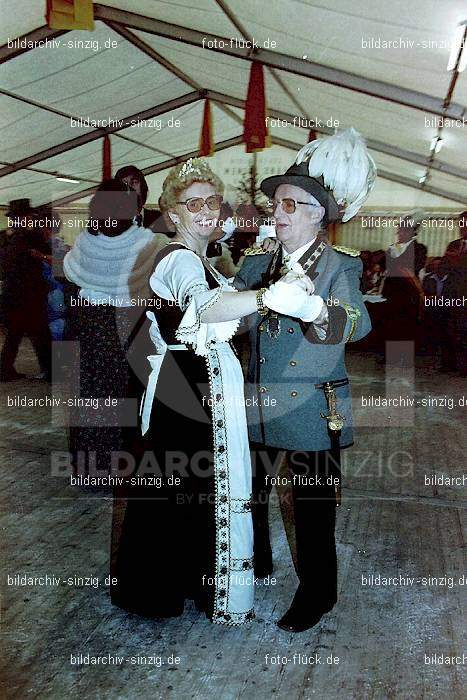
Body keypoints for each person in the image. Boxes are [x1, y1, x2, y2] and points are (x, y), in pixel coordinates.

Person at [112, 158, 306, 625]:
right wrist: (266, 297)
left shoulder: (203, 259)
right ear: (173, 212)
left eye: (212, 200)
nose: (205, 209)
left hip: (202, 385)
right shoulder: (177, 257)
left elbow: (226, 310)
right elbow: (206, 306)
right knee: (191, 490)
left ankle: (185, 584)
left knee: (198, 490)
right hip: (187, 389)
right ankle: (169, 589)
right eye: (192, 202)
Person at [234, 128, 374, 633]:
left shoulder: (340, 267)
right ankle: (260, 563)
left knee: (314, 510)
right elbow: (233, 311)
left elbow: (359, 324)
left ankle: (318, 594)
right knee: (249, 493)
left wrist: (315, 307)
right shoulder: (259, 261)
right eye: (276, 203)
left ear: (317, 215)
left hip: (313, 410)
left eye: (291, 205)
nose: (278, 212)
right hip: (257, 404)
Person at [62, 179, 163, 476]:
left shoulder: (84, 242)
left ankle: (91, 468)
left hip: (92, 331)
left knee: (92, 396)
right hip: (126, 330)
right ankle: (121, 467)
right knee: (124, 396)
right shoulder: (145, 242)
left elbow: (70, 276)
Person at [0, 199, 52, 382]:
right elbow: (50, 256)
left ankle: (5, 370)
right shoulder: (32, 236)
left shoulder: (6, 237)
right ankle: (50, 370)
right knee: (39, 333)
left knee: (16, 333)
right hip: (30, 294)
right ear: (26, 217)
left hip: (12, 294)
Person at [115, 164, 159, 230]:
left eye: (134, 182)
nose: (129, 188)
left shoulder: (158, 218)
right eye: (124, 185)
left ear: (142, 187)